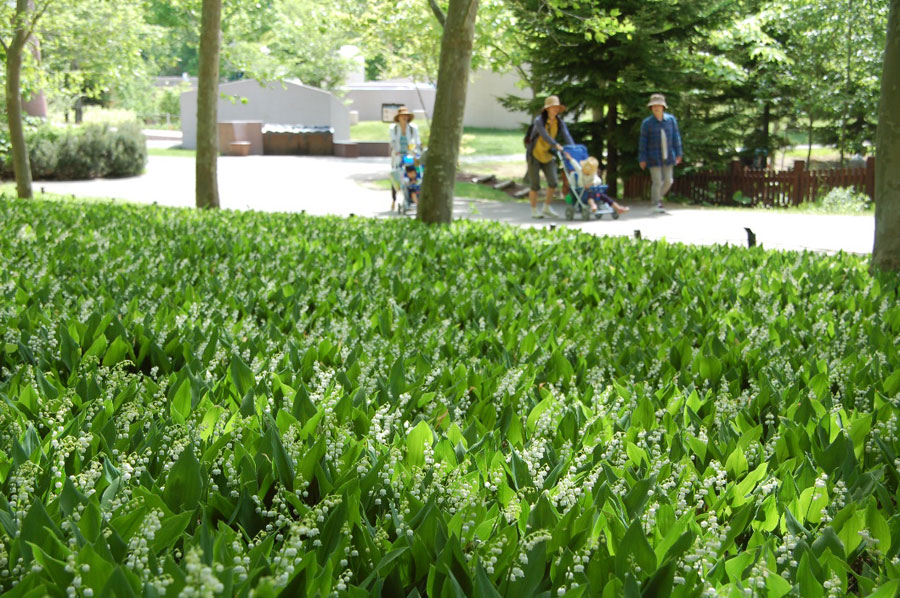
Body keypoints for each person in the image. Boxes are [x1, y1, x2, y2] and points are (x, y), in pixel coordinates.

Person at [525, 95, 574, 219]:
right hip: (534, 155)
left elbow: (567, 135)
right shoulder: (539, 121)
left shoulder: (559, 122)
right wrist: (556, 145)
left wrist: (573, 149)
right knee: (535, 185)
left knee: (553, 182)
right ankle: (534, 210)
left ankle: (546, 207)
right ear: (547, 109)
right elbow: (545, 135)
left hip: (547, 155)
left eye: (557, 107)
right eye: (553, 107)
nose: (555, 110)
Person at [638, 93, 683, 212]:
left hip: (669, 155)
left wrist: (679, 153)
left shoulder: (670, 120)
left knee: (669, 181)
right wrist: (642, 158)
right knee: (657, 181)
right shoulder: (647, 123)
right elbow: (643, 141)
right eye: (653, 106)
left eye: (658, 105)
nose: (656, 108)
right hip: (653, 156)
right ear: (651, 108)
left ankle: (657, 199)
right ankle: (655, 204)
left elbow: (676, 137)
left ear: (663, 107)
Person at [389, 106, 422, 210]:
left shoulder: (413, 129)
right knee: (397, 177)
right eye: (402, 116)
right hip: (398, 157)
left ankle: (412, 198)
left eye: (406, 116)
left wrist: (414, 151)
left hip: (410, 156)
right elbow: (393, 142)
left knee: (413, 176)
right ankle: (394, 200)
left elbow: (416, 141)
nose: (404, 118)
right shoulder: (393, 129)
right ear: (398, 117)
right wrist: (396, 151)